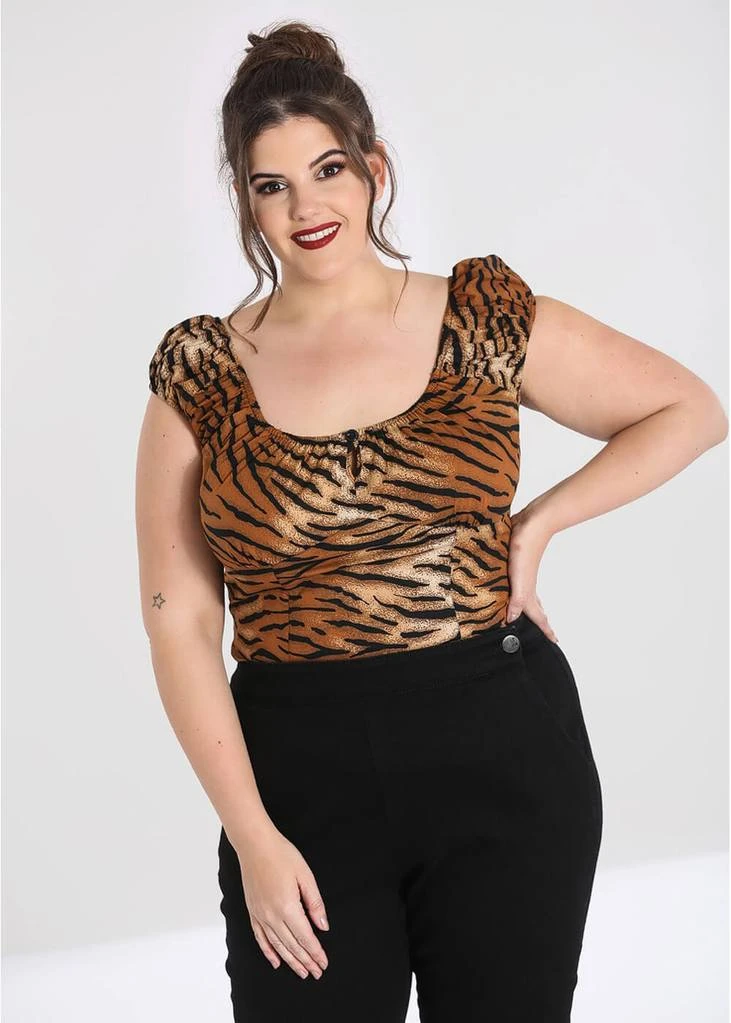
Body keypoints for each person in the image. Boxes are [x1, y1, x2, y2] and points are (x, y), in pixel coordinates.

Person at [135, 19, 728, 1023]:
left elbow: (688, 409)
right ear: (245, 199)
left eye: (327, 169)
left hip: (499, 743)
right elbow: (179, 621)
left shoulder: (479, 318)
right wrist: (253, 836)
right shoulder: (200, 373)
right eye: (272, 185)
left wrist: (537, 524)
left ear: (373, 167)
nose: (305, 207)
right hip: (298, 773)